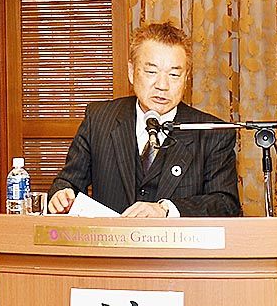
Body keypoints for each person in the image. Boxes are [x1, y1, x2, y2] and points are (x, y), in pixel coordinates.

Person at [47, 23, 241, 218]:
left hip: (175, 239)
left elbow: (226, 204)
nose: (162, 85)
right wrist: (62, 194)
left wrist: (166, 209)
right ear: (131, 72)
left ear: (186, 78)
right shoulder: (99, 119)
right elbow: (68, 182)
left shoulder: (212, 132)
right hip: (109, 237)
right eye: (151, 72)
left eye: (174, 75)